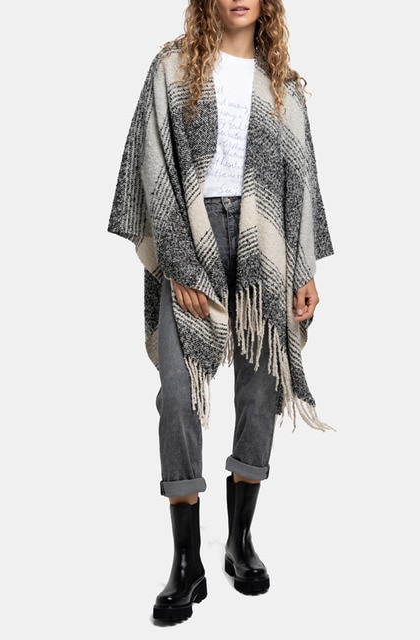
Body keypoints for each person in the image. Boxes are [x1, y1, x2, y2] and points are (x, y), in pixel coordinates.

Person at [108, 0, 334, 623]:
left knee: (261, 392)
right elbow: (150, 166)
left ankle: (240, 540)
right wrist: (179, 263)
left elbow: (303, 181)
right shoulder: (173, 68)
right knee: (178, 395)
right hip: (192, 235)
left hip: (267, 246)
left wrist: (305, 269)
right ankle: (186, 562)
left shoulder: (283, 83)